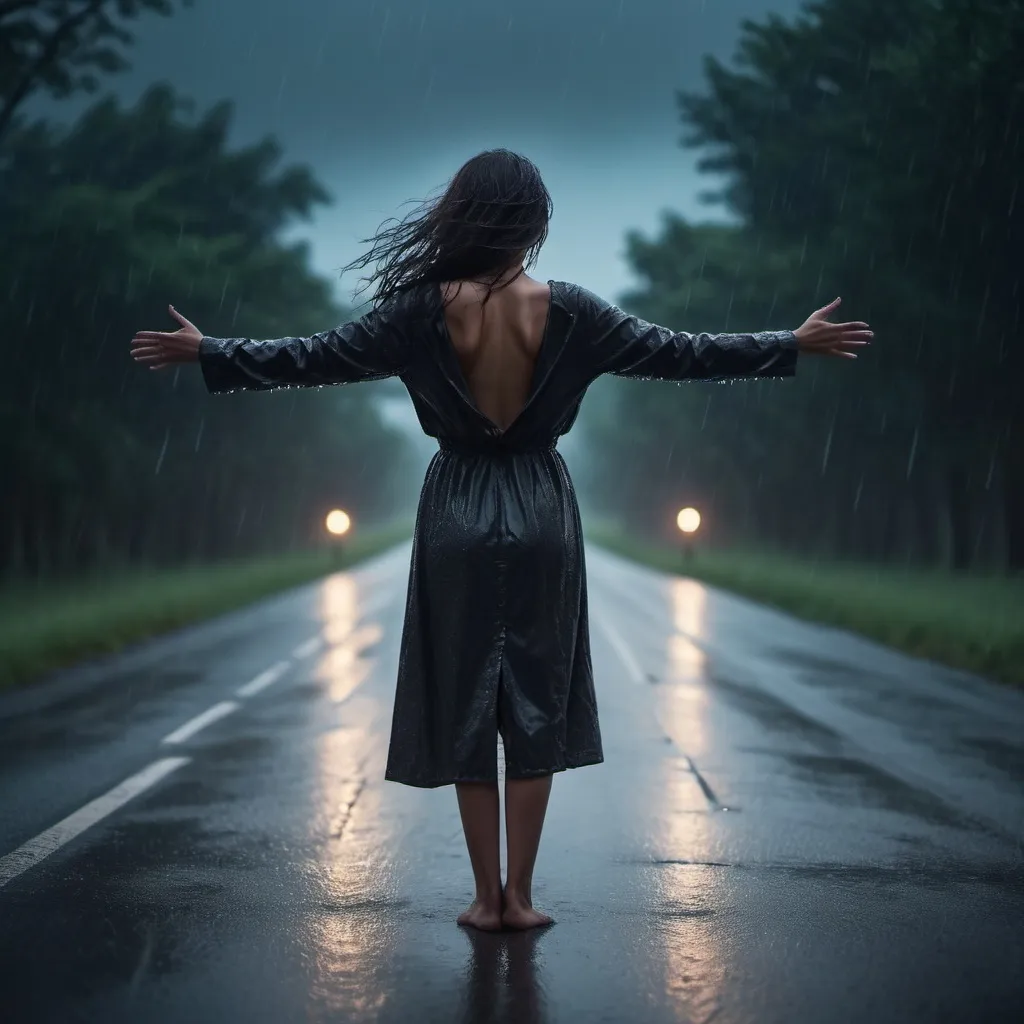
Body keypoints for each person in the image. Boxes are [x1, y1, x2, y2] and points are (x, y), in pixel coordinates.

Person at [130, 149, 871, 932]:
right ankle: (524, 896)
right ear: (533, 225)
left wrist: (213, 353)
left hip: (454, 509)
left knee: (466, 703)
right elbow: (682, 352)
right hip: (543, 507)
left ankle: (485, 898)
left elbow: (311, 359)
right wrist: (788, 343)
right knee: (536, 704)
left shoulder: (417, 311)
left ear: (461, 218)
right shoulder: (575, 311)